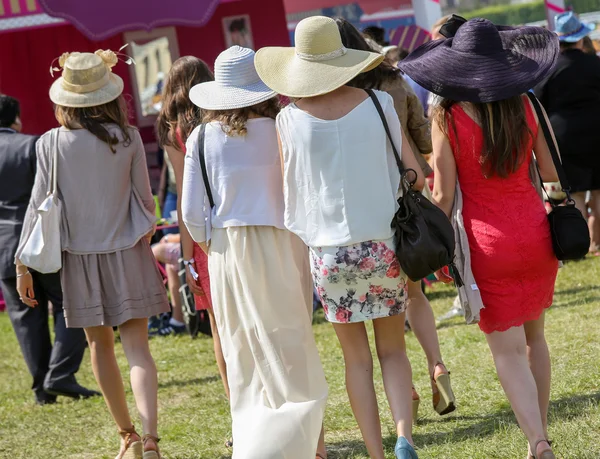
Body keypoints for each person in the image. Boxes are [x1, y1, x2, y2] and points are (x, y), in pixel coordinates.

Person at [256, 16, 426, 459]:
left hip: (329, 254)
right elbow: (417, 177)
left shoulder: (288, 119)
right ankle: (404, 438)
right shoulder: (378, 104)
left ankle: (375, 452)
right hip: (384, 245)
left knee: (357, 362)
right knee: (392, 351)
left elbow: (288, 193)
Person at [400, 18, 560, 459]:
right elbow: (550, 172)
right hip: (536, 231)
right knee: (535, 341)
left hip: (487, 244)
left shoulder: (447, 116)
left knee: (507, 353)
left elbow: (443, 194)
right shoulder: (526, 105)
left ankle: (539, 442)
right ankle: (538, 435)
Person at [16, 51, 169, 459]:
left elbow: (37, 208)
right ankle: (151, 439)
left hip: (79, 259)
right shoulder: (130, 137)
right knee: (139, 350)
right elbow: (145, 203)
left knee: (100, 348)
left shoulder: (49, 143)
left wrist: (22, 265)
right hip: (128, 252)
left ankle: (128, 437)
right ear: (109, 95)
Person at [182, 46, 328, 459]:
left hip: (228, 246)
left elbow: (193, 211)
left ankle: (256, 445)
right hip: (285, 239)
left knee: (242, 347)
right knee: (294, 339)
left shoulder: (202, 136)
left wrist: (211, 244)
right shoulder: (284, 126)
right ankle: (312, 445)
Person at [335, 17, 456, 419]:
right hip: (404, 209)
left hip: (358, 215)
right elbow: (423, 141)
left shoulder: (329, 97)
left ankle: (408, 392)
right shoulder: (394, 83)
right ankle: (437, 363)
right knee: (415, 295)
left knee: (380, 318)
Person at [0, 94, 99, 405]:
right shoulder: (32, 145)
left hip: (2, 246)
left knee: (25, 318)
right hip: (38, 239)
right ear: (15, 118)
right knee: (72, 302)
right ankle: (60, 373)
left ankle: (43, 388)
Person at [155, 56, 231, 407]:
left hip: (203, 234)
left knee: (219, 329)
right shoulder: (223, 113)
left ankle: (237, 411)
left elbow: (187, 201)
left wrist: (187, 260)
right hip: (234, 222)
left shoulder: (173, 131)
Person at [534, 11, 600, 255]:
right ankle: (596, 242)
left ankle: (580, 244)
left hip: (564, 137)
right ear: (582, 39)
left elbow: (538, 103)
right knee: (599, 192)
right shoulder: (596, 63)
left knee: (577, 195)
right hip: (597, 132)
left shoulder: (549, 70)